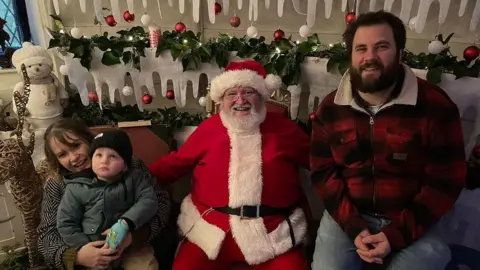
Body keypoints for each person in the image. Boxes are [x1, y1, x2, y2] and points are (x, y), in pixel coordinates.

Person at [310, 10, 466, 270]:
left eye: (381, 46)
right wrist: (353, 227)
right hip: (348, 216)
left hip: (415, 219)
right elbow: (323, 173)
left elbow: (446, 181)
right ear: (351, 55)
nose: (369, 57)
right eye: (361, 48)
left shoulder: (435, 107)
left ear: (400, 52)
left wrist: (396, 235)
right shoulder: (331, 109)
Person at [148, 60, 311, 270]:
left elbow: (320, 164)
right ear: (221, 100)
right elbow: (174, 165)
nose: (240, 100)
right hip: (211, 231)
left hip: (273, 234)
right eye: (231, 93)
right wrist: (133, 176)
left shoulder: (285, 130)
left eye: (248, 92)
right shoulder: (209, 128)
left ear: (261, 96)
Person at [37, 119, 170, 270]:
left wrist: (134, 236)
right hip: (86, 254)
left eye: (76, 146)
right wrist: (77, 256)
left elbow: (161, 202)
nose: (73, 157)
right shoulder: (57, 183)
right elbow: (46, 234)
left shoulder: (127, 164)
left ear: (89, 140)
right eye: (62, 154)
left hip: (133, 247)